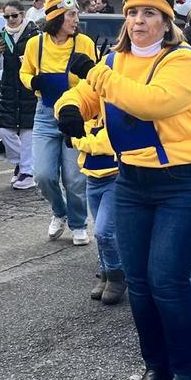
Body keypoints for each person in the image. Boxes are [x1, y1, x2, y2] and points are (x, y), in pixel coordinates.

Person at [56, 0, 191, 380]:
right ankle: (157, 366)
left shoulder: (182, 60)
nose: (139, 20)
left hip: (186, 181)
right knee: (140, 281)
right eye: (132, 12)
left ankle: (187, 371)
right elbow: (86, 93)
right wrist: (70, 107)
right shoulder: (115, 60)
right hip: (133, 181)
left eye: (150, 13)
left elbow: (149, 103)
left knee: (167, 278)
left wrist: (97, 75)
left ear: (167, 22)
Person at [19, 0, 96, 245]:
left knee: (75, 177)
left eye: (76, 14)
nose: (76, 19)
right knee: (42, 174)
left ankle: (77, 223)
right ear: (57, 17)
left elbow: (94, 80)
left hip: (76, 115)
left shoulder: (84, 43)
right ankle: (59, 211)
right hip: (45, 114)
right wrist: (33, 81)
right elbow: (24, 73)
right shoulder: (35, 44)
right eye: (71, 15)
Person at [71, 117, 125, 304]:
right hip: (92, 180)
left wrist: (78, 140)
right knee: (100, 232)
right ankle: (106, 273)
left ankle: (117, 274)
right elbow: (77, 133)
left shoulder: (115, 113)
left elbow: (105, 143)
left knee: (104, 232)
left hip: (115, 179)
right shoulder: (89, 117)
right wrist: (77, 137)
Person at [0, 0, 39, 190]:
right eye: (6, 16)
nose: (10, 20)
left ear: (23, 15)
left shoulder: (34, 35)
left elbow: (41, 62)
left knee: (27, 131)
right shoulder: (2, 36)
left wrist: (27, 61)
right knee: (4, 129)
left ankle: (27, 172)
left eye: (14, 16)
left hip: (28, 88)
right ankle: (23, 164)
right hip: (9, 88)